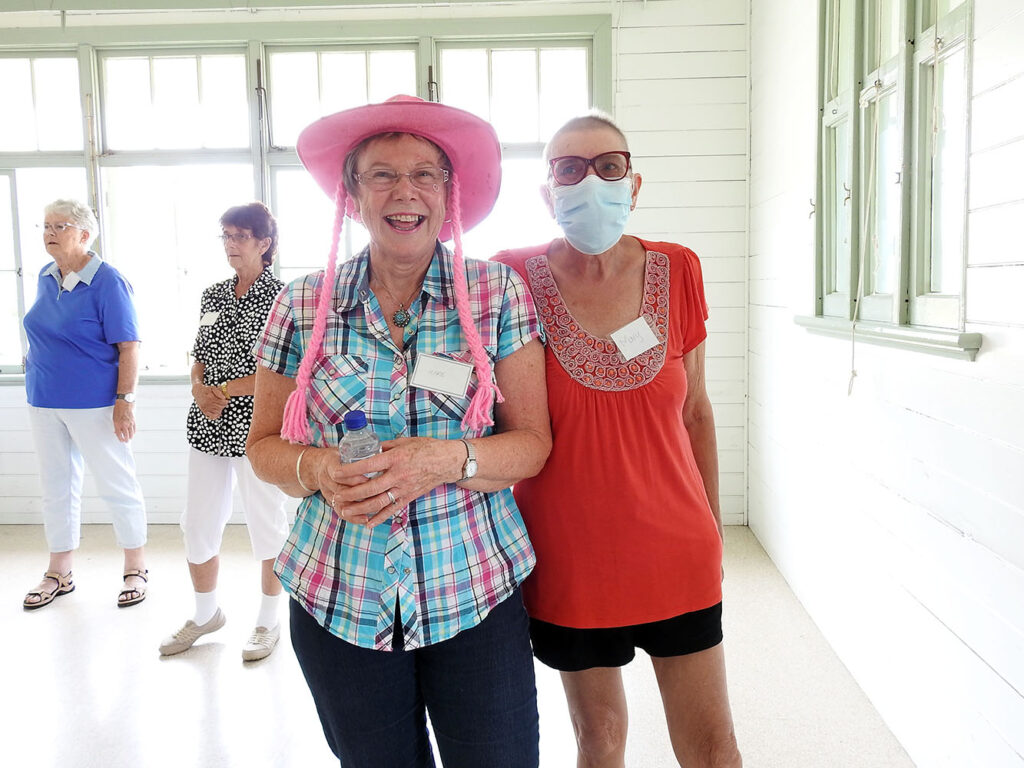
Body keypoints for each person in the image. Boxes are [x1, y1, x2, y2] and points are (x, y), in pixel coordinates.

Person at [245, 95, 551, 767]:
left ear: (450, 192)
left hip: (472, 589)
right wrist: (320, 470)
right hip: (339, 594)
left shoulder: (496, 293)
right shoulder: (300, 303)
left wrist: (443, 461)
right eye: (382, 174)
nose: (404, 192)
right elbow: (262, 446)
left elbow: (532, 445)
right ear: (352, 194)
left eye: (425, 174)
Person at [494, 114, 743, 768]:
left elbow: (695, 413)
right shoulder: (509, 278)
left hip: (675, 548)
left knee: (713, 747)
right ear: (547, 193)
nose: (590, 180)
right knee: (599, 740)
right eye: (568, 168)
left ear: (633, 183)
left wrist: (714, 530)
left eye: (608, 166)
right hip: (569, 558)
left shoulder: (677, 268)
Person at [159, 202, 290, 662]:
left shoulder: (283, 298)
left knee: (266, 523)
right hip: (208, 424)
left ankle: (269, 620)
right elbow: (199, 350)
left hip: (257, 427)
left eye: (239, 236)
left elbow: (280, 369)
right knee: (197, 522)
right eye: (226, 236)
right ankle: (205, 613)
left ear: (264, 243)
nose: (231, 245)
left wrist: (224, 390)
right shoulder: (213, 295)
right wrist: (199, 386)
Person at [22, 198, 148, 610]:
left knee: (116, 484)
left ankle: (135, 567)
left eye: (60, 226)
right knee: (55, 487)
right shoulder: (45, 275)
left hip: (95, 402)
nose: (50, 233)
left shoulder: (108, 281)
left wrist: (124, 401)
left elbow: (129, 346)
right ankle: (59, 570)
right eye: (45, 226)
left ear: (85, 233)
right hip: (43, 398)